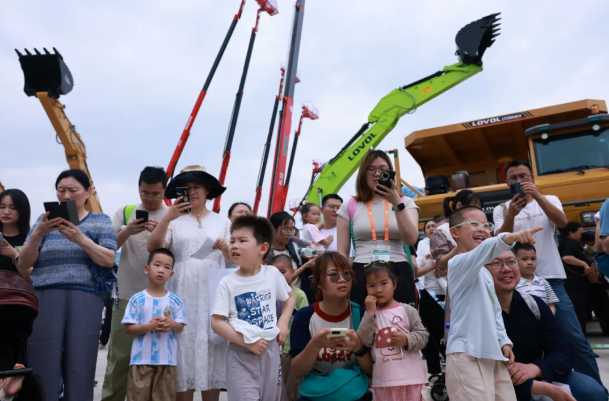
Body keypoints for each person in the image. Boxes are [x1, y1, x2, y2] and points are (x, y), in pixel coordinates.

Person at [493, 160, 605, 390]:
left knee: (574, 337)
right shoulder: (502, 208)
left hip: (551, 279)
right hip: (516, 284)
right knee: (520, 338)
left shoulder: (550, 199)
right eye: (513, 178)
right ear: (506, 182)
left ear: (532, 178)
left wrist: (537, 196)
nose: (519, 181)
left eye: (523, 176)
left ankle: (597, 391)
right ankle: (533, 386)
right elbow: (499, 241)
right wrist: (512, 213)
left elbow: (562, 222)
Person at [18, 168, 117, 401]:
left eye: (73, 190)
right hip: (46, 295)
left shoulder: (100, 221)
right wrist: (37, 234)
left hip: (85, 295)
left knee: (81, 361)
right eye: (61, 190)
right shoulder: (42, 222)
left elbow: (108, 259)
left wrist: (79, 238)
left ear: (88, 193)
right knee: (43, 358)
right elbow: (23, 264)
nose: (66, 195)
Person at [147, 165, 231, 401]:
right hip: (181, 290)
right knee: (182, 345)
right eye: (187, 188)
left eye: (197, 187)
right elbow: (153, 248)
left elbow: (234, 261)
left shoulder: (222, 221)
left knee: (211, 343)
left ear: (207, 190)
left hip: (213, 290)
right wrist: (167, 217)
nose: (192, 192)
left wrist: (226, 248)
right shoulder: (173, 220)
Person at [445, 205, 541, 401]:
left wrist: (504, 341)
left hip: (493, 354)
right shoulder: (457, 264)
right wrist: (512, 237)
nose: (482, 229)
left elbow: (495, 311)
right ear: (454, 232)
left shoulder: (485, 273)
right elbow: (489, 248)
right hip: (466, 355)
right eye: (474, 224)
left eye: (486, 225)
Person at [489, 250, 607, 401]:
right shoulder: (476, 312)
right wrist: (544, 388)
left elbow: (563, 353)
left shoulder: (534, 304)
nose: (506, 269)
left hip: (537, 375)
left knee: (592, 392)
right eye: (496, 263)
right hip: (498, 385)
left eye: (511, 262)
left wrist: (537, 368)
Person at [101, 166, 168, 401]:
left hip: (161, 300)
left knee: (155, 363)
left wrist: (159, 234)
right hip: (126, 297)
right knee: (119, 360)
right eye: (144, 192)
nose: (149, 198)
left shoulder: (171, 216)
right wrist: (128, 230)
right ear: (138, 189)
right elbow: (107, 250)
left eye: (155, 193)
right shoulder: (125, 212)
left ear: (164, 191)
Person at [211, 215, 296, 401]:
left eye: (242, 241)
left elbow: (290, 298)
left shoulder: (272, 274)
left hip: (271, 350)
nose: (234, 245)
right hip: (241, 354)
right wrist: (246, 342)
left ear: (263, 248)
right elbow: (217, 322)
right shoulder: (227, 283)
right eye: (232, 240)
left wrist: (283, 322)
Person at [337, 150, 419, 309]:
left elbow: (411, 239)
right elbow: (342, 253)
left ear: (391, 173)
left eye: (383, 169)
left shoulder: (406, 202)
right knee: (365, 320)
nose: (377, 174)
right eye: (371, 169)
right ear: (363, 173)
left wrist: (396, 202)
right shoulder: (350, 205)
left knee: (402, 320)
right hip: (362, 270)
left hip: (398, 268)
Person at [290, 252, 372, 401]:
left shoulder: (361, 314)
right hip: (316, 395)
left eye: (346, 274)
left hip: (354, 393)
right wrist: (315, 344)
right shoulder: (304, 317)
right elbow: (297, 371)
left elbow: (371, 370)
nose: (342, 279)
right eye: (333, 275)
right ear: (319, 283)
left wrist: (358, 348)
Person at [358, 261, 429, 400]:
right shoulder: (370, 315)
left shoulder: (407, 310)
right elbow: (365, 341)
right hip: (383, 382)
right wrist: (370, 313)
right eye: (372, 285)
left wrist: (406, 339)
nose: (378, 290)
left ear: (394, 284)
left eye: (384, 283)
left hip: (412, 380)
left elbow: (423, 337)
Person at [123, 248, 187, 401]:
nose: (161, 270)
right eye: (157, 265)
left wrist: (170, 323)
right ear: (147, 269)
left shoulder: (175, 300)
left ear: (171, 274)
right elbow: (129, 329)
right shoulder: (137, 299)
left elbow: (180, 327)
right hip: (140, 361)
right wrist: (149, 327)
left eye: (166, 267)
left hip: (167, 361)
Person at [271, 254, 309, 401]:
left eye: (283, 271)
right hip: (273, 348)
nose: (279, 276)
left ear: (293, 272)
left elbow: (305, 322)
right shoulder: (269, 295)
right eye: (275, 272)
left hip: (290, 349)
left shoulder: (299, 295)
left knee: (291, 388)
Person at [268, 211, 315, 303]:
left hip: (300, 297)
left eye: (291, 229)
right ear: (273, 229)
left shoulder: (293, 243)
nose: (289, 233)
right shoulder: (267, 252)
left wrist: (312, 252)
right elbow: (282, 281)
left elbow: (312, 245)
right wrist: (305, 266)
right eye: (286, 229)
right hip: (279, 300)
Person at [558, 222, 594, 335]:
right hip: (574, 284)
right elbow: (566, 257)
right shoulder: (568, 243)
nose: (580, 236)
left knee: (583, 311)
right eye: (579, 233)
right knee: (579, 312)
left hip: (581, 284)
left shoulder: (576, 243)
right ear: (570, 233)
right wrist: (584, 264)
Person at [513, 243, 559, 314]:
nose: (530, 262)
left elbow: (551, 305)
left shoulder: (543, 282)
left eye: (533, 259)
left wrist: (549, 318)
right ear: (514, 261)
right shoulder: (514, 284)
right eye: (524, 259)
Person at [0, 189, 30, 273]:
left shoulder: (31, 240)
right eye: (2, 207)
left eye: (13, 208)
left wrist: (14, 255)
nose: (6, 212)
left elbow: (32, 276)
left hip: (19, 281)